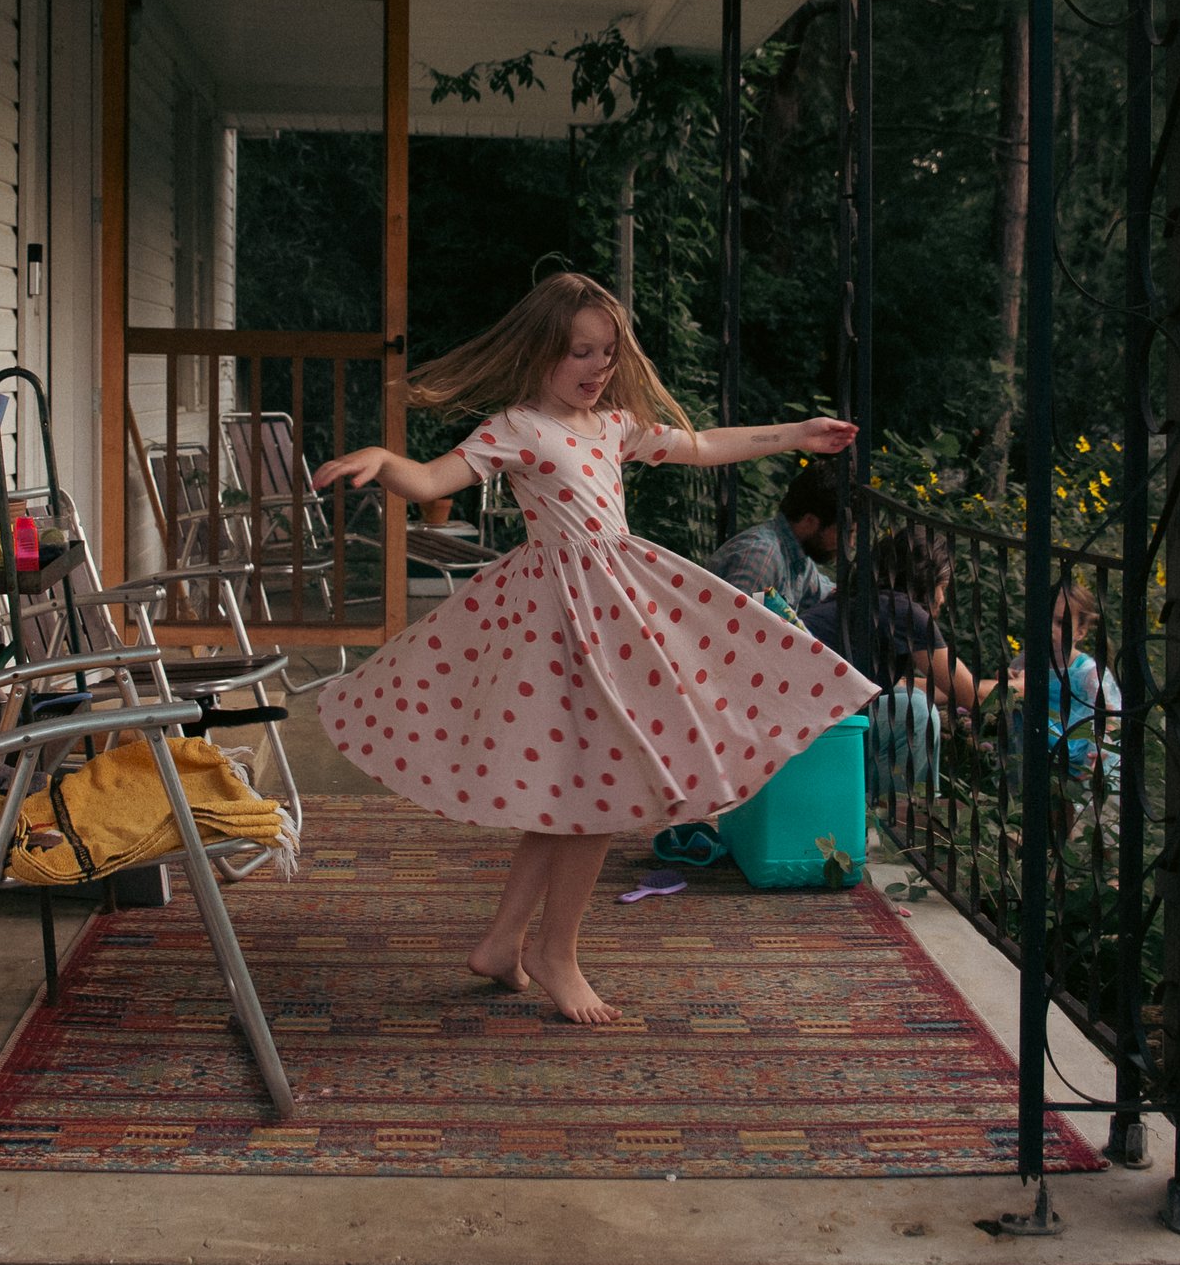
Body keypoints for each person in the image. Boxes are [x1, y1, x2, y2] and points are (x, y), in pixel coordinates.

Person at [311, 272, 865, 1024]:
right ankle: (555, 954)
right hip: (560, 624)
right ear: (543, 351)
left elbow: (701, 445)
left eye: (606, 353)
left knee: (578, 785)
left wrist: (796, 436)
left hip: (613, 614)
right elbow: (437, 475)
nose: (596, 368)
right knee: (603, 787)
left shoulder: (612, 426)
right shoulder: (517, 428)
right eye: (580, 352)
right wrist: (383, 459)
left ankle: (506, 942)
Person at [805, 526, 984, 799]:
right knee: (917, 713)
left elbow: (905, 685)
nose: (943, 599)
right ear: (927, 580)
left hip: (802, 717)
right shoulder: (902, 612)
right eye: (943, 587)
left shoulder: (864, 601)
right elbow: (971, 694)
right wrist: (1025, 685)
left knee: (905, 696)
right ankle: (899, 818)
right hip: (815, 732)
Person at [1013, 579, 1123, 793]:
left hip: (1075, 755)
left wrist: (1102, 748)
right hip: (1034, 749)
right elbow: (1011, 689)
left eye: (1061, 623)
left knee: (1067, 805)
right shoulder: (1027, 661)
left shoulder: (1087, 671)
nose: (1050, 629)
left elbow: (1108, 711)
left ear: (1080, 632)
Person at [706, 461, 839, 617]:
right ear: (809, 521)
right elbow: (731, 625)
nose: (849, 543)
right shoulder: (762, 557)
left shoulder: (797, 557)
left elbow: (828, 593)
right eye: (843, 532)